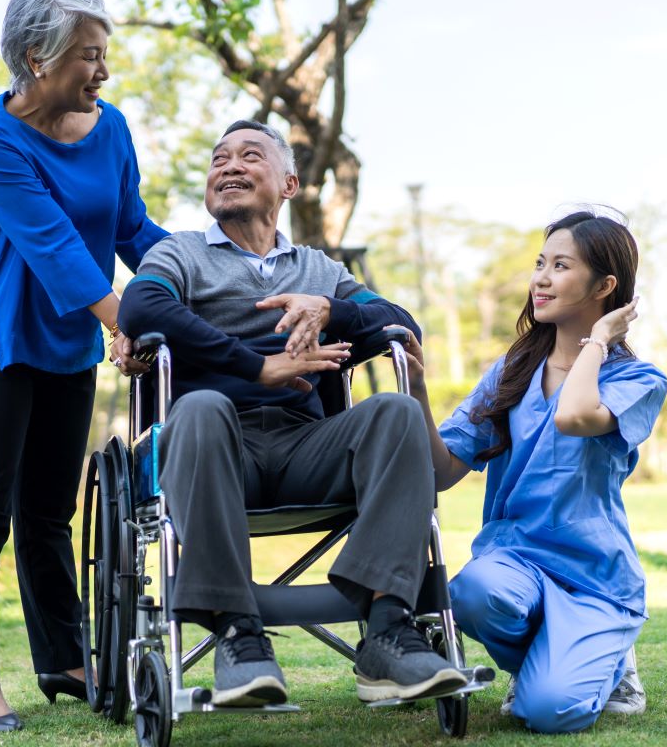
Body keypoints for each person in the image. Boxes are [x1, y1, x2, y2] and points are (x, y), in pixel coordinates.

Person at [114, 119, 468, 707]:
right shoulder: (180, 253)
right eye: (218, 158)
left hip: (308, 446)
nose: (228, 166)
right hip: (216, 450)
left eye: (249, 156)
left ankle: (387, 632)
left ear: (289, 184)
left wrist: (329, 308)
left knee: (396, 412)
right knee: (200, 407)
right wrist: (258, 368)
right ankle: (237, 635)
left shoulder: (318, 268)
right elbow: (143, 304)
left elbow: (400, 322)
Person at [0, 0, 168, 732]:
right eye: (89, 56)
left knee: (47, 513)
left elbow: (131, 227)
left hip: (66, 343)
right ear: (37, 58)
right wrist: (121, 320)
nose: (103, 72)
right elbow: (55, 250)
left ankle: (62, 659)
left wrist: (199, 275)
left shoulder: (113, 128)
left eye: (104, 55)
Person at [399, 210, 667, 734]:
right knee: (472, 592)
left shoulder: (639, 379)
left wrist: (597, 341)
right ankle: (545, 663)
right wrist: (418, 393)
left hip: (593, 578)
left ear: (604, 286)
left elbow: (573, 416)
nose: (540, 278)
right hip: (514, 562)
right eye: (540, 263)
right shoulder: (511, 372)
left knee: (550, 713)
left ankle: (613, 667)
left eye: (560, 266)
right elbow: (442, 471)